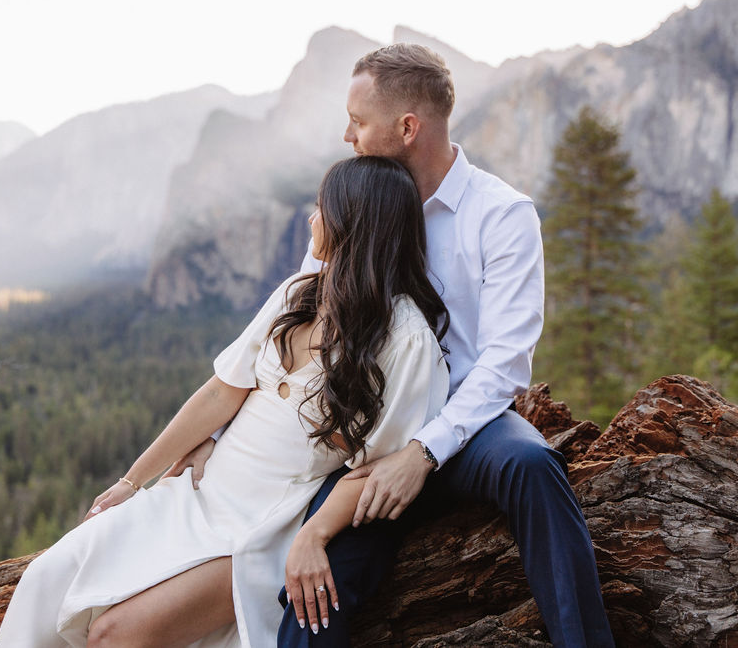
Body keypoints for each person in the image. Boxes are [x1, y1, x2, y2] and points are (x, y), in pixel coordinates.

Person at [176, 44, 615, 647]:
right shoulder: (356, 207)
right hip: (365, 443)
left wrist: (424, 452)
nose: (347, 135)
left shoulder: (502, 215)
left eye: (358, 122)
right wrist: (221, 441)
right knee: (315, 578)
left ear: (408, 128)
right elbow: (293, 339)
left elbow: (505, 363)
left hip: (467, 429)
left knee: (533, 466)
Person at [0, 156, 451, 648]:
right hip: (198, 493)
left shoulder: (405, 340)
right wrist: (133, 480)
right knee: (45, 580)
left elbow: (377, 473)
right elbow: (220, 391)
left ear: (355, 224)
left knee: (113, 634)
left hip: (258, 530)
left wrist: (314, 535)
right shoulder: (299, 294)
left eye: (323, 207)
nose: (312, 217)